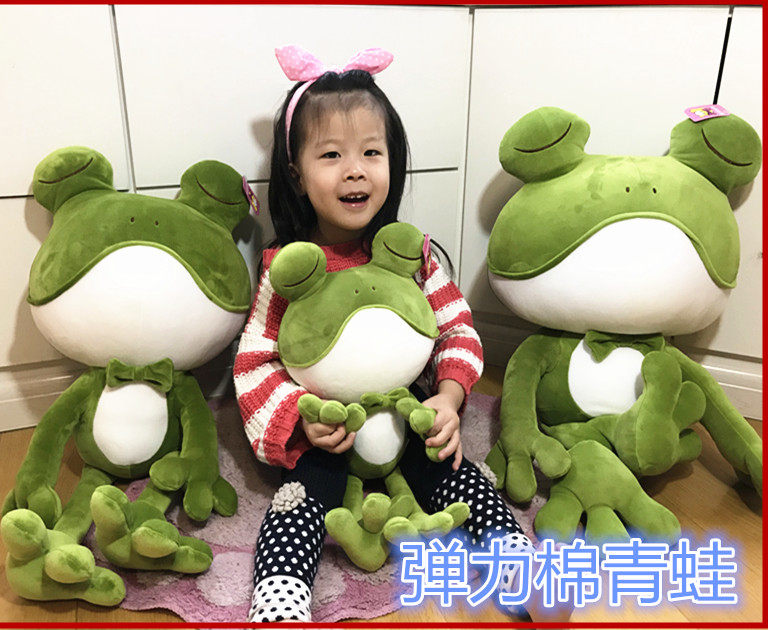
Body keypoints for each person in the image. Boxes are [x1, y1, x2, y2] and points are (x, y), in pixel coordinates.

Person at [233, 45, 572, 624]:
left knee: (457, 473)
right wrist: (299, 419)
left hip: (405, 413)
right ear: (295, 172)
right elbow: (255, 362)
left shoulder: (409, 253)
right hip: (330, 431)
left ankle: (516, 561)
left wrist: (450, 397)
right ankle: (280, 599)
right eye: (331, 155)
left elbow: (455, 326)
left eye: (372, 152)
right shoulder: (287, 267)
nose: (355, 170)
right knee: (300, 500)